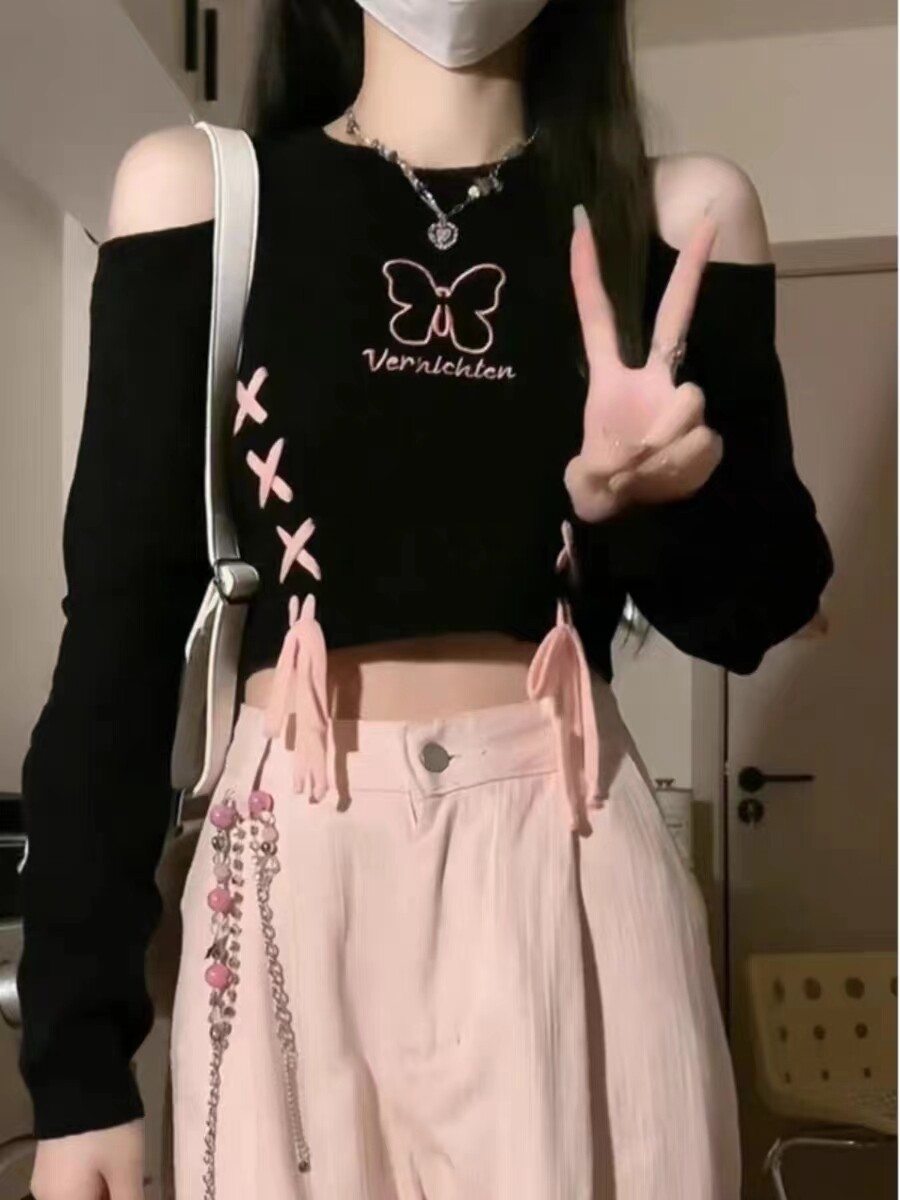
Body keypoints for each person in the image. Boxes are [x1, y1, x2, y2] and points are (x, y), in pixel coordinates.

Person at [19, 0, 834, 1197]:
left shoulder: (678, 216)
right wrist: (79, 1068)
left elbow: (757, 609)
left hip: (571, 860)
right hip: (289, 867)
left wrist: (648, 500)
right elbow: (118, 646)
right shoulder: (206, 199)